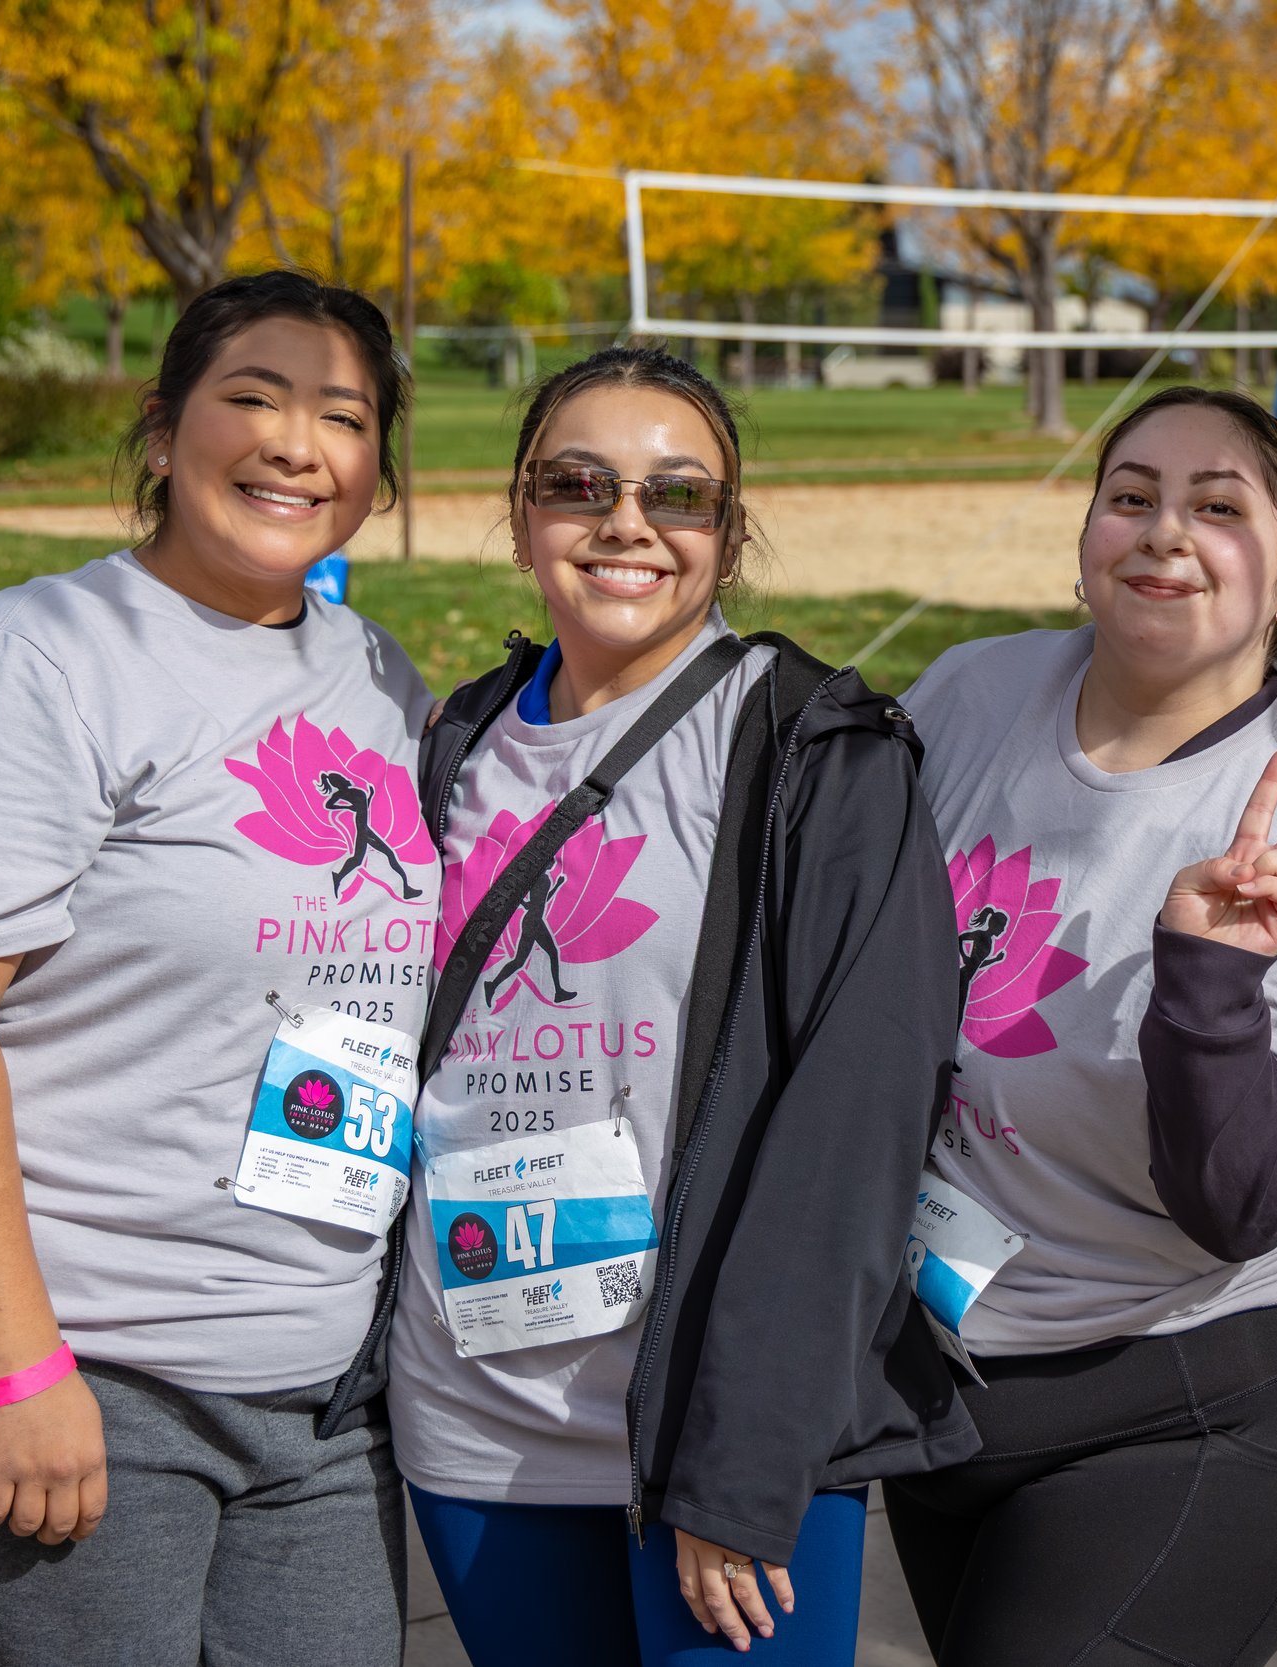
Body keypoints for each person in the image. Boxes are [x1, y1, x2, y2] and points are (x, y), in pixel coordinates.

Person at [0, 270, 431, 1667]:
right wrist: (21, 1363)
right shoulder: (42, 656)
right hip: (78, 1361)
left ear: (375, 473)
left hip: (319, 1385)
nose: (297, 442)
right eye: (254, 398)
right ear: (162, 433)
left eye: (343, 416)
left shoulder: (376, 671)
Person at [382, 346, 974, 1664]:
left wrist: (743, 1460)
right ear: (524, 512)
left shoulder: (820, 749)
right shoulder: (454, 743)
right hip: (473, 1411)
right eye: (577, 483)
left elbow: (853, 1126)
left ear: (731, 527)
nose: (625, 523)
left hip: (721, 1431)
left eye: (678, 493)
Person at [883, 386, 1277, 1665]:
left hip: (1189, 1404)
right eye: (1133, 496)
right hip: (946, 1374)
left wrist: (1209, 985)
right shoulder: (970, 692)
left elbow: (1247, 1203)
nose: (1165, 532)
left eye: (1217, 508)